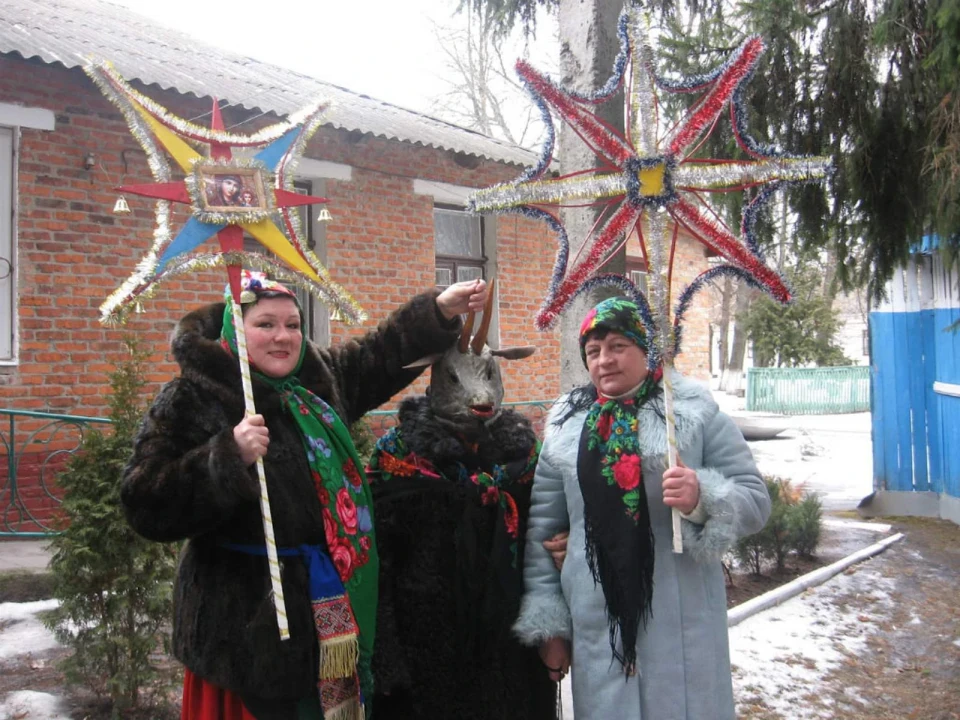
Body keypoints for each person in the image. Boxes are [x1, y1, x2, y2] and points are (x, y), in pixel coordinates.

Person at [120, 270, 488, 720]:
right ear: (235, 329)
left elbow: (378, 355)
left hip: (328, 611)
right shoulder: (193, 396)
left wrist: (439, 311)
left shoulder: (315, 385)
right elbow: (143, 501)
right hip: (245, 633)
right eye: (265, 324)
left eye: (293, 325)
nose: (282, 337)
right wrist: (225, 458)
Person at [513, 296, 771, 719]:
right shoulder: (566, 426)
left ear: (644, 347)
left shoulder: (690, 413)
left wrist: (701, 497)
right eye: (593, 352)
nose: (604, 360)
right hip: (599, 621)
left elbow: (755, 500)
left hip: (681, 624)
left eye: (617, 346)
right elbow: (544, 528)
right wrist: (551, 627)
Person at [365, 291, 556, 720]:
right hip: (425, 650)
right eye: (459, 381)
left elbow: (548, 536)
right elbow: (377, 562)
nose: (481, 396)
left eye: (488, 376)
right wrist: (386, 657)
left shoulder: (524, 459)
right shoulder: (399, 459)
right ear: (434, 379)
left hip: (509, 645)